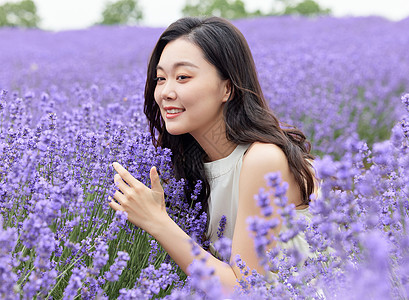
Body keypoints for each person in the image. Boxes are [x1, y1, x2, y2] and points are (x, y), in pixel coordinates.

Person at [109, 16, 316, 292]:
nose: (166, 92)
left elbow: (245, 290)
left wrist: (157, 221)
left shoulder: (263, 160)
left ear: (227, 88)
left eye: (183, 77)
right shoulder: (194, 165)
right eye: (161, 78)